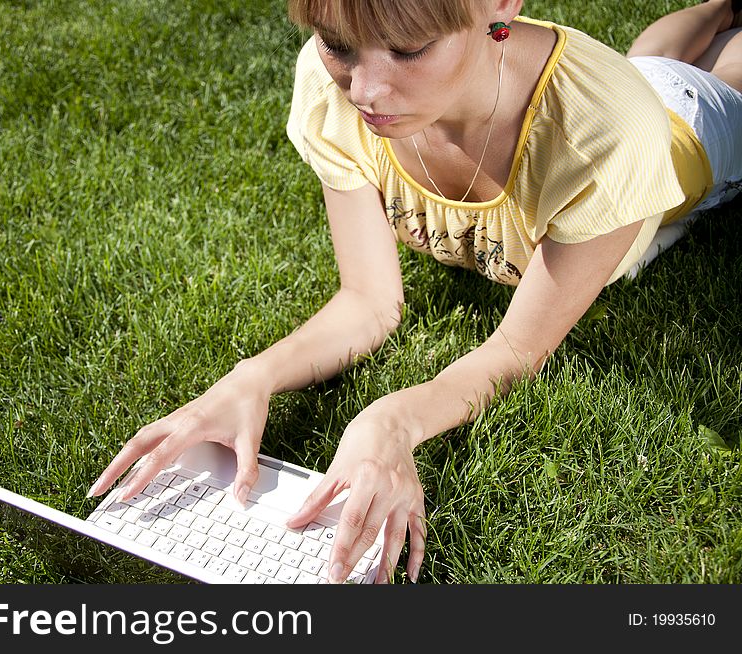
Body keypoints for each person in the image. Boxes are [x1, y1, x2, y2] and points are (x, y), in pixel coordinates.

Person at [87, 0, 742, 584]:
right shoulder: (333, 87)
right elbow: (368, 301)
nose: (366, 90)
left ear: (500, 6)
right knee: (653, 58)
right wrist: (249, 378)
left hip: (694, 134)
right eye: (339, 45)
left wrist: (392, 420)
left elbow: (516, 350)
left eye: (409, 50)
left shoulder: (611, 138)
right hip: (623, 87)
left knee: (703, 82)